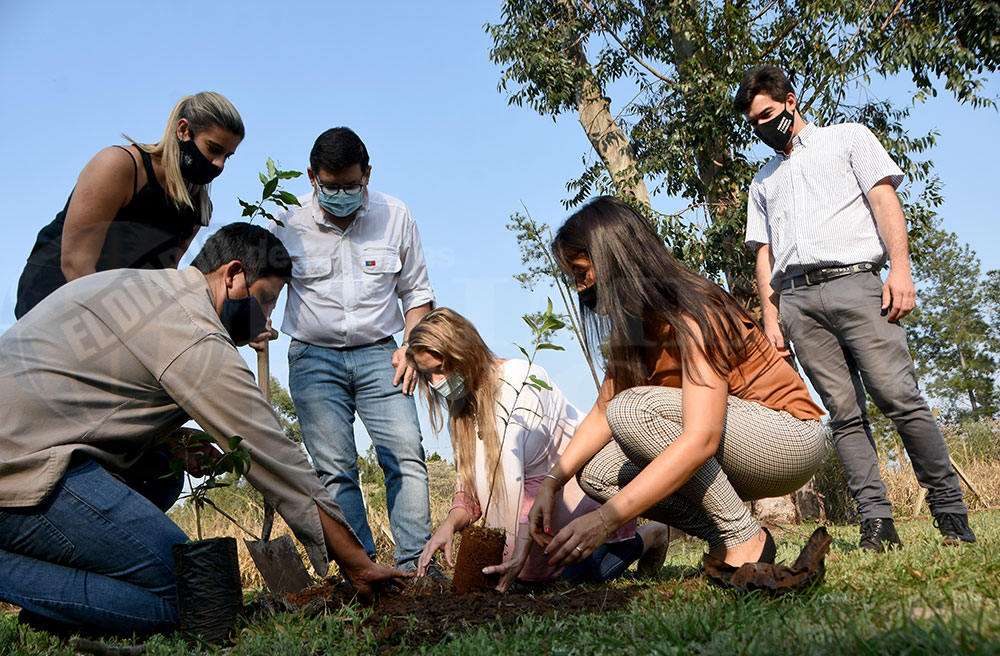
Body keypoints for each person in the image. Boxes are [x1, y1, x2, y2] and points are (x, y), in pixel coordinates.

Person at [0, 223, 409, 636]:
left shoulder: (149, 289)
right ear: (233, 275)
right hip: (21, 468)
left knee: (162, 471)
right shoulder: (193, 329)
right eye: (266, 301)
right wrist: (356, 561)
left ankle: (58, 605)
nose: (267, 322)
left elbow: (76, 394)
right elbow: (274, 455)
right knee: (194, 595)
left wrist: (173, 438)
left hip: (24, 443)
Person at [734, 65, 976, 551]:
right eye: (753, 123)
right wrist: (771, 317)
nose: (761, 127)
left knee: (899, 398)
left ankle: (950, 512)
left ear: (791, 102)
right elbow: (765, 254)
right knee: (843, 415)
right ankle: (876, 523)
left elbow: (884, 202)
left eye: (767, 115)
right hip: (798, 301)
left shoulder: (848, 138)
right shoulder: (763, 181)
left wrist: (900, 270)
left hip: (857, 283)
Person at [528, 196, 827, 571]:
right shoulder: (632, 329)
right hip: (734, 448)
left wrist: (606, 520)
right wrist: (552, 482)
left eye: (582, 273)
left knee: (632, 410)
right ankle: (727, 537)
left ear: (611, 257)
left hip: (788, 439)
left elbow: (700, 439)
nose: (579, 288)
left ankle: (743, 538)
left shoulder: (693, 309)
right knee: (596, 472)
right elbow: (602, 413)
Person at [406, 308, 670, 591]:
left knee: (572, 578)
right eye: (427, 375)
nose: (436, 383)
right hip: (529, 521)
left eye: (440, 369)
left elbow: (535, 485)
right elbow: (469, 495)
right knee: (523, 582)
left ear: (465, 352)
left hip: (572, 502)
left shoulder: (522, 383)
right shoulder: (462, 412)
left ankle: (651, 535)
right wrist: (447, 526)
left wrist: (520, 555)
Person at [269, 127, 436, 574]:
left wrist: (411, 347)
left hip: (383, 354)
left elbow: (417, 294)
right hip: (313, 357)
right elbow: (266, 284)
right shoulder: (287, 221)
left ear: (367, 175)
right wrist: (257, 317)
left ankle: (417, 566)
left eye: (350, 185)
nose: (341, 194)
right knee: (334, 469)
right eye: (331, 186)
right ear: (312, 177)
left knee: (405, 453)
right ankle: (362, 570)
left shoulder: (395, 216)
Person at [15, 91, 244, 320]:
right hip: (57, 292)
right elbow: (75, 263)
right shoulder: (119, 166)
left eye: (227, 156)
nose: (219, 165)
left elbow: (163, 279)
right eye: (213, 149)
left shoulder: (199, 207)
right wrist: (114, 328)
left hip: (113, 309)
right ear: (183, 130)